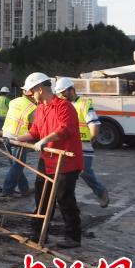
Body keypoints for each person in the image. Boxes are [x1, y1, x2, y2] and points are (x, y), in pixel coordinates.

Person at [22, 72, 84, 249]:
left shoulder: (65, 107)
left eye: (31, 92)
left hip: (66, 161)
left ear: (40, 89)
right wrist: (17, 138)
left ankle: (73, 237)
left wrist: (44, 140)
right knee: (41, 197)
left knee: (64, 198)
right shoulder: (40, 108)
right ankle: (38, 233)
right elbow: (35, 132)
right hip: (47, 159)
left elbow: (65, 129)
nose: (31, 96)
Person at [54, 77, 109, 207]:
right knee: (64, 173)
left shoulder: (84, 104)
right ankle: (61, 199)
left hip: (83, 145)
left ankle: (100, 192)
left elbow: (94, 126)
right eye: (59, 93)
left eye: (63, 92)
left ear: (71, 90)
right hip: (67, 145)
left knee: (84, 171)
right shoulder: (62, 105)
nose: (61, 95)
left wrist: (91, 140)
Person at [0, 89, 37, 197]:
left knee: (15, 165)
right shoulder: (33, 108)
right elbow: (32, 128)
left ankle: (24, 189)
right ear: (32, 95)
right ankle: (7, 190)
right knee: (18, 166)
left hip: (6, 134)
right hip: (19, 138)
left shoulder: (13, 101)